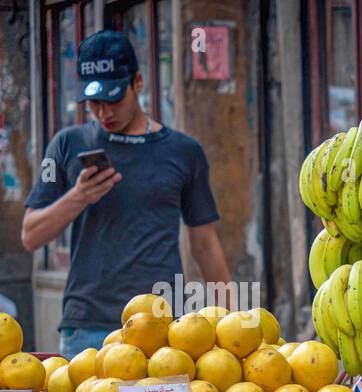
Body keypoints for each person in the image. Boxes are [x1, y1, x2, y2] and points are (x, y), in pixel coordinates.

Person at [21, 30, 230, 357]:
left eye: (114, 99)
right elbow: (31, 235)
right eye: (94, 103)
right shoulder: (68, 144)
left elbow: (204, 244)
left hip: (164, 328)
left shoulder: (183, 151)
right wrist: (79, 197)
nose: (104, 113)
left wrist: (233, 321)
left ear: (138, 82)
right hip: (87, 326)